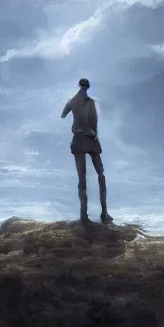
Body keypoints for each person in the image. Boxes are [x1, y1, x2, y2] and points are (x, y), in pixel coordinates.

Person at [61, 78, 113, 225]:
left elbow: (63, 115)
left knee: (81, 179)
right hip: (90, 140)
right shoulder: (90, 102)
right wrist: (94, 134)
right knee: (101, 174)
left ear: (78, 85)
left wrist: (74, 122)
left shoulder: (71, 101)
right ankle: (104, 213)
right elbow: (94, 121)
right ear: (87, 87)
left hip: (78, 139)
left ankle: (84, 216)